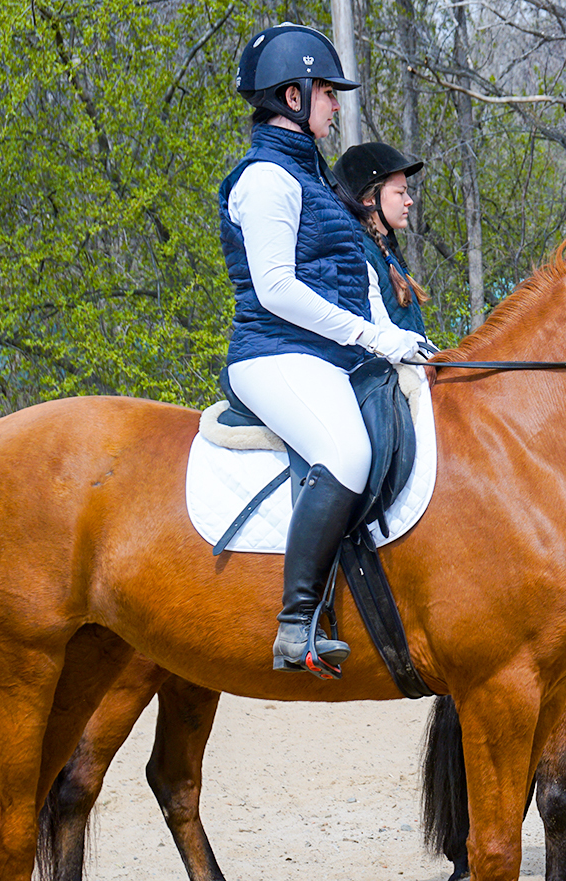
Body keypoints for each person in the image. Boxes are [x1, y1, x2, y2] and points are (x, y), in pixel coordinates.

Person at [221, 24, 428, 678]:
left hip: (324, 357)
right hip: (271, 353)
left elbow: (353, 281)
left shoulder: (312, 184)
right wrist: (372, 335)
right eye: (327, 94)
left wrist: (399, 347)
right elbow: (277, 289)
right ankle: (295, 620)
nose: (336, 106)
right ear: (292, 95)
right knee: (345, 452)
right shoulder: (265, 180)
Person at [335, 142, 431, 337]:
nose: (409, 200)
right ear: (370, 199)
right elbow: (382, 335)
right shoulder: (359, 253)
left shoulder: (384, 252)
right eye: (400, 192)